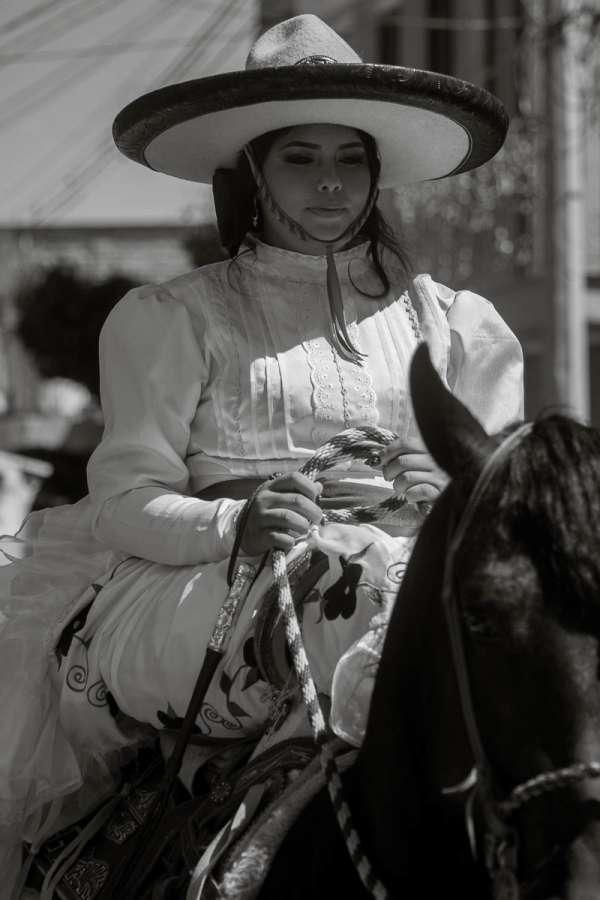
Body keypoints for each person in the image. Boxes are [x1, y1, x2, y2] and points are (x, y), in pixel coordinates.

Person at [0, 14, 523, 893]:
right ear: (252, 170)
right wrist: (238, 520)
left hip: (412, 579)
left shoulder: (460, 324)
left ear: (376, 172)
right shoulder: (172, 317)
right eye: (300, 158)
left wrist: (454, 493)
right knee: (348, 587)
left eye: (348, 158)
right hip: (208, 583)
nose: (330, 182)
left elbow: (512, 505)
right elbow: (127, 500)